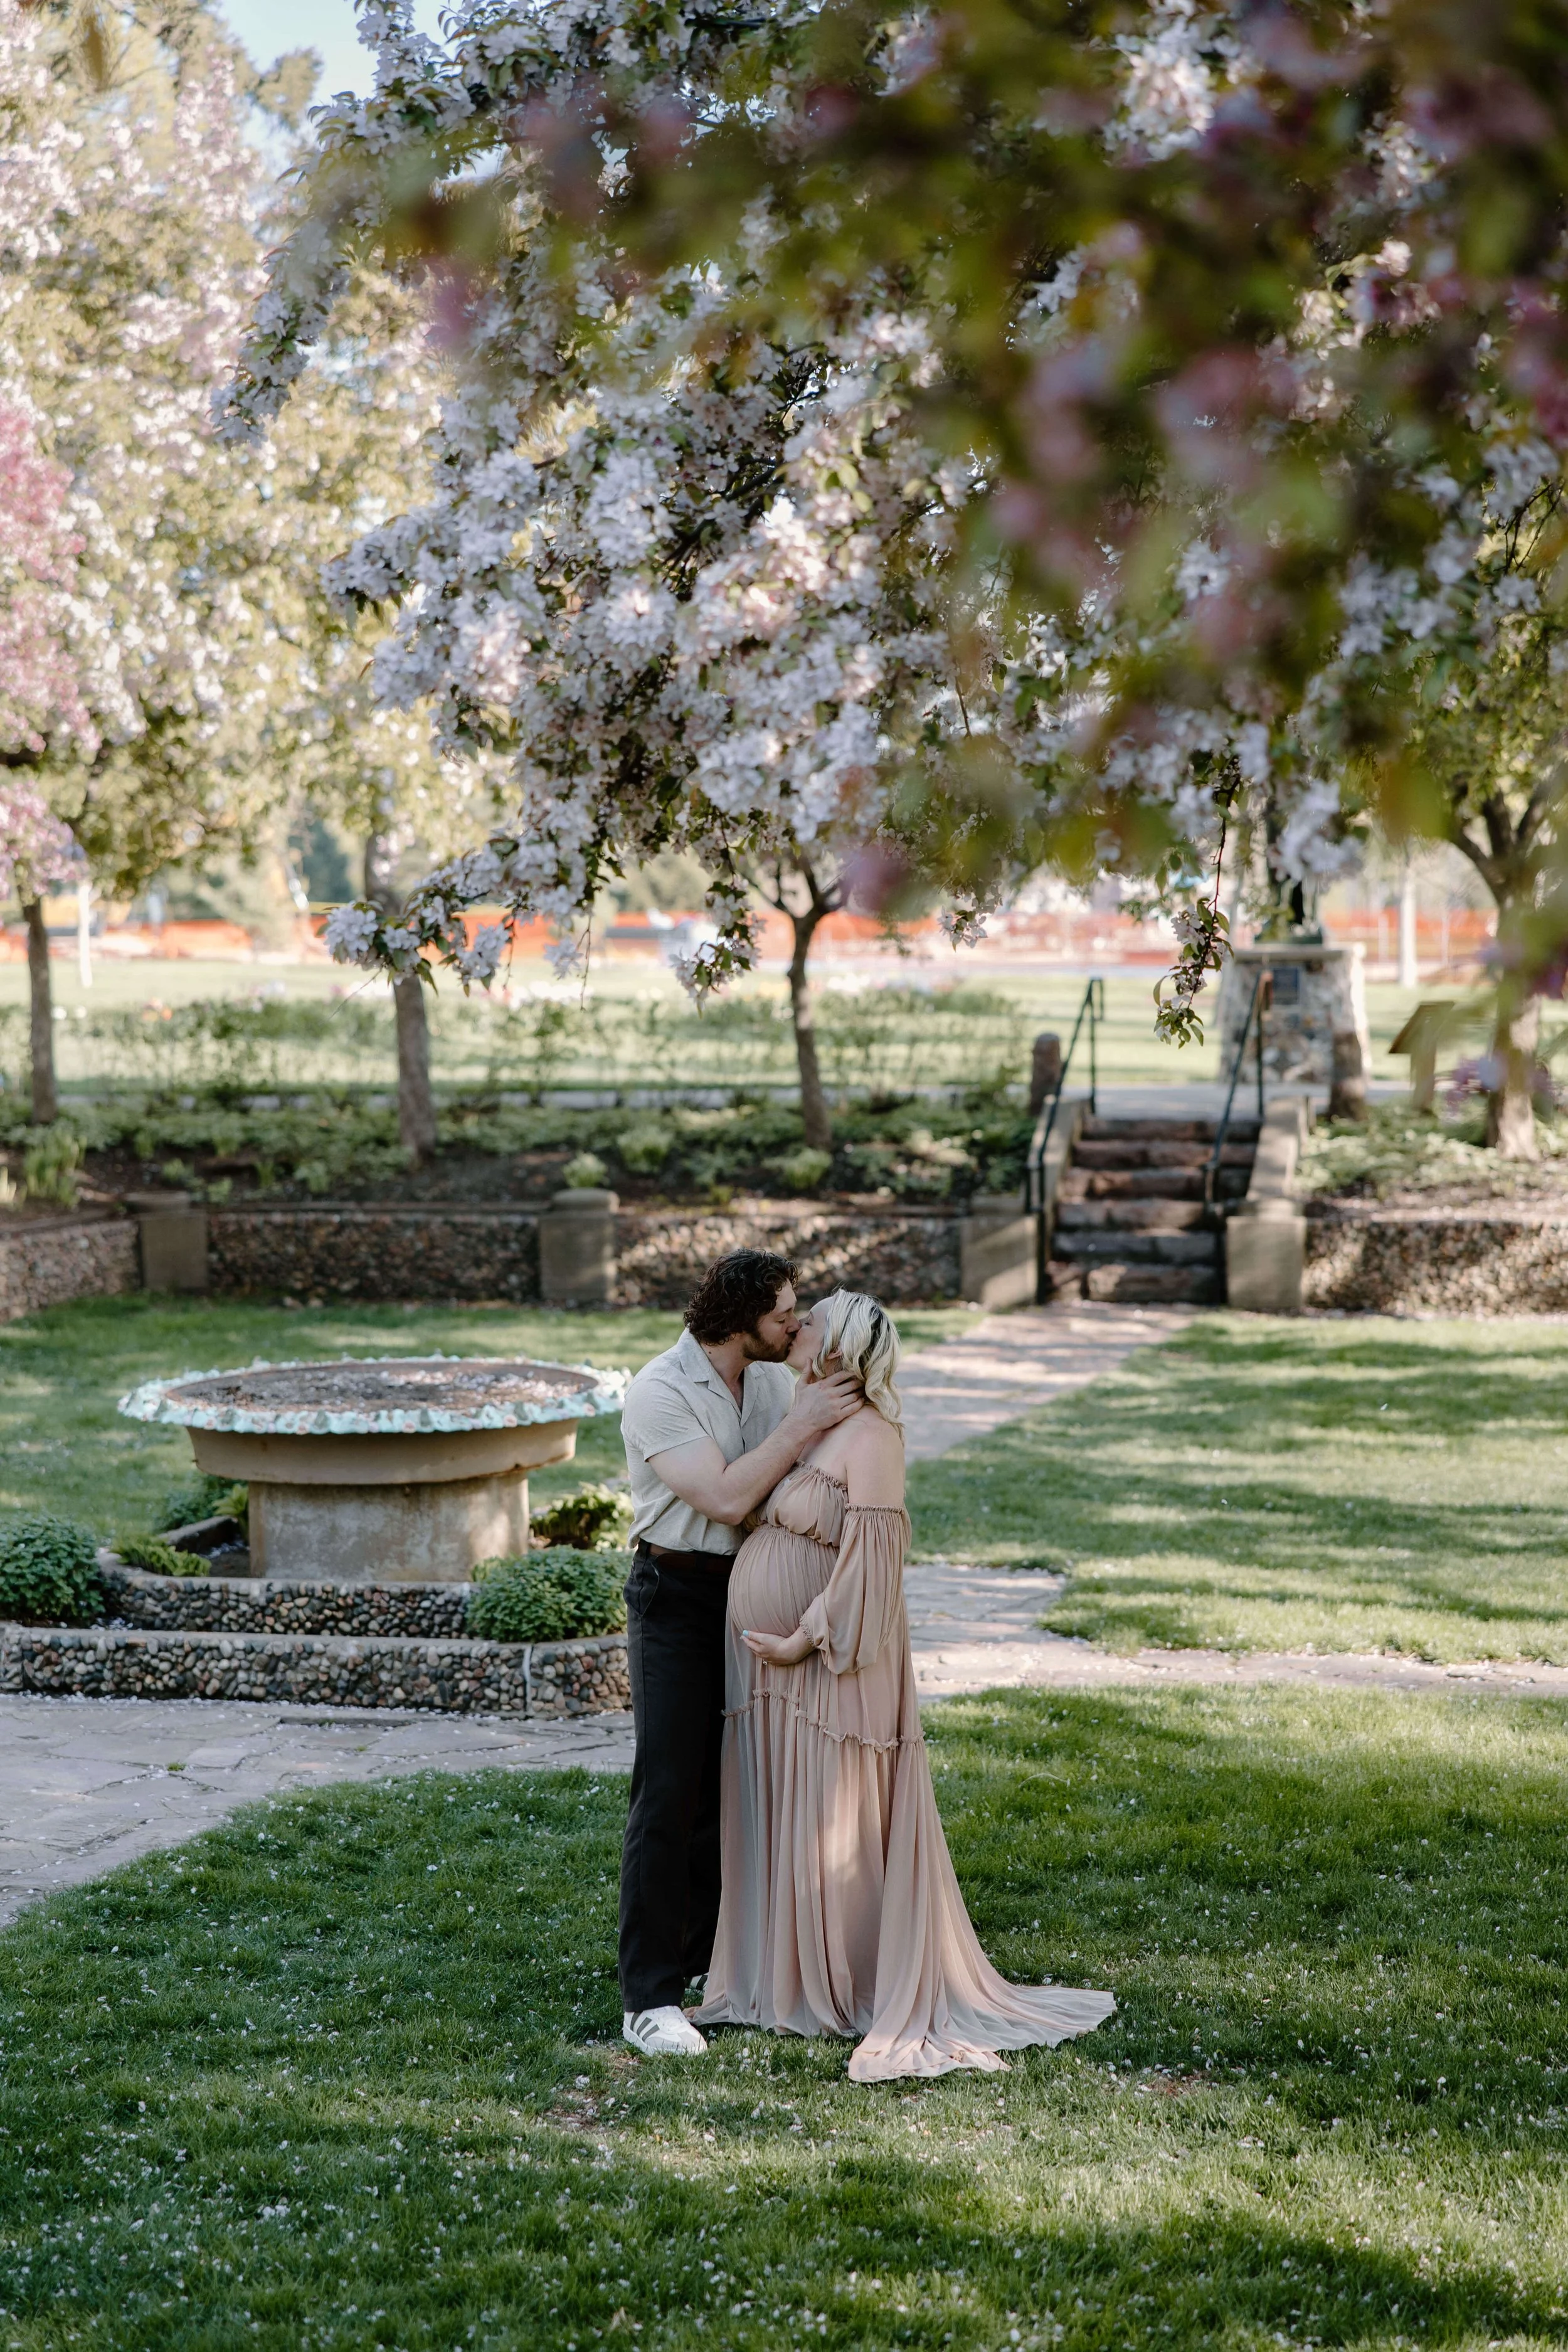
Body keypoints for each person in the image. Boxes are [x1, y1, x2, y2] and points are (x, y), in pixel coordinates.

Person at [694, 1289, 1117, 2080]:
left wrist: (803, 1637)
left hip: (835, 1659)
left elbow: (873, 1566)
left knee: (833, 1807)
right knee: (786, 1806)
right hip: (773, 1668)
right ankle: (776, 1977)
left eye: (808, 1320)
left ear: (839, 1345)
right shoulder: (812, 1426)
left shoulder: (872, 1436)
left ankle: (843, 1982)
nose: (794, 1326)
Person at [617, 1249, 861, 2058]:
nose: (797, 1323)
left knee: (742, 1785)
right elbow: (723, 1496)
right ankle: (648, 1999)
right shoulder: (659, 1390)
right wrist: (802, 1425)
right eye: (786, 1312)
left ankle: (711, 1967)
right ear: (740, 1317)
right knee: (671, 1789)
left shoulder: (767, 1379)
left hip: (756, 1594)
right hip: (677, 1597)